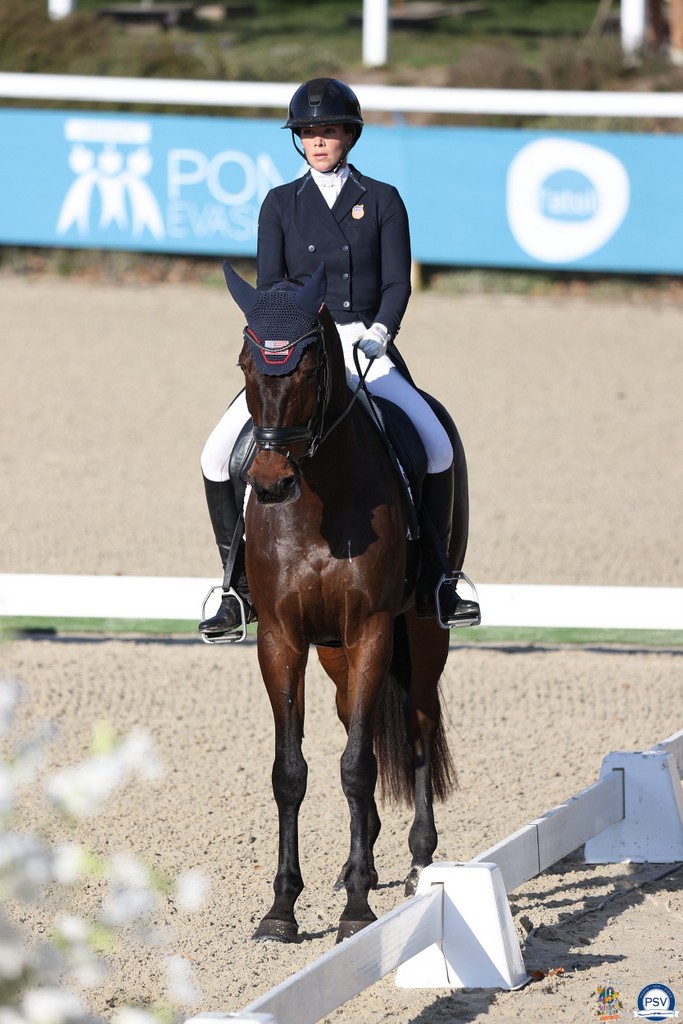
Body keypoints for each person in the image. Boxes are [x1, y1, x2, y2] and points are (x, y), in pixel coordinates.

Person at [199, 77, 480, 639]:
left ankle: (439, 579)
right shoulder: (280, 203)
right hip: (302, 347)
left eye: (327, 132)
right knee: (215, 454)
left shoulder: (381, 200)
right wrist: (281, 341)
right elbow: (273, 287)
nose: (317, 142)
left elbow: (398, 282)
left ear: (350, 135)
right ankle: (235, 588)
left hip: (367, 343)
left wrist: (380, 332)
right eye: (307, 133)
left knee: (436, 444)